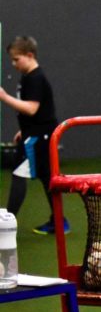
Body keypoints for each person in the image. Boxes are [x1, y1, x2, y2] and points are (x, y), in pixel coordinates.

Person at [0, 36, 66, 234]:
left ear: (29, 55)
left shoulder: (36, 78)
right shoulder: (28, 77)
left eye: (16, 59)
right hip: (36, 133)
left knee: (19, 174)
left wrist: (3, 97)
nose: (14, 64)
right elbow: (36, 110)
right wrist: (24, 129)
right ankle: (59, 222)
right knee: (48, 178)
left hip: (39, 137)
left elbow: (31, 108)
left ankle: (5, 224)